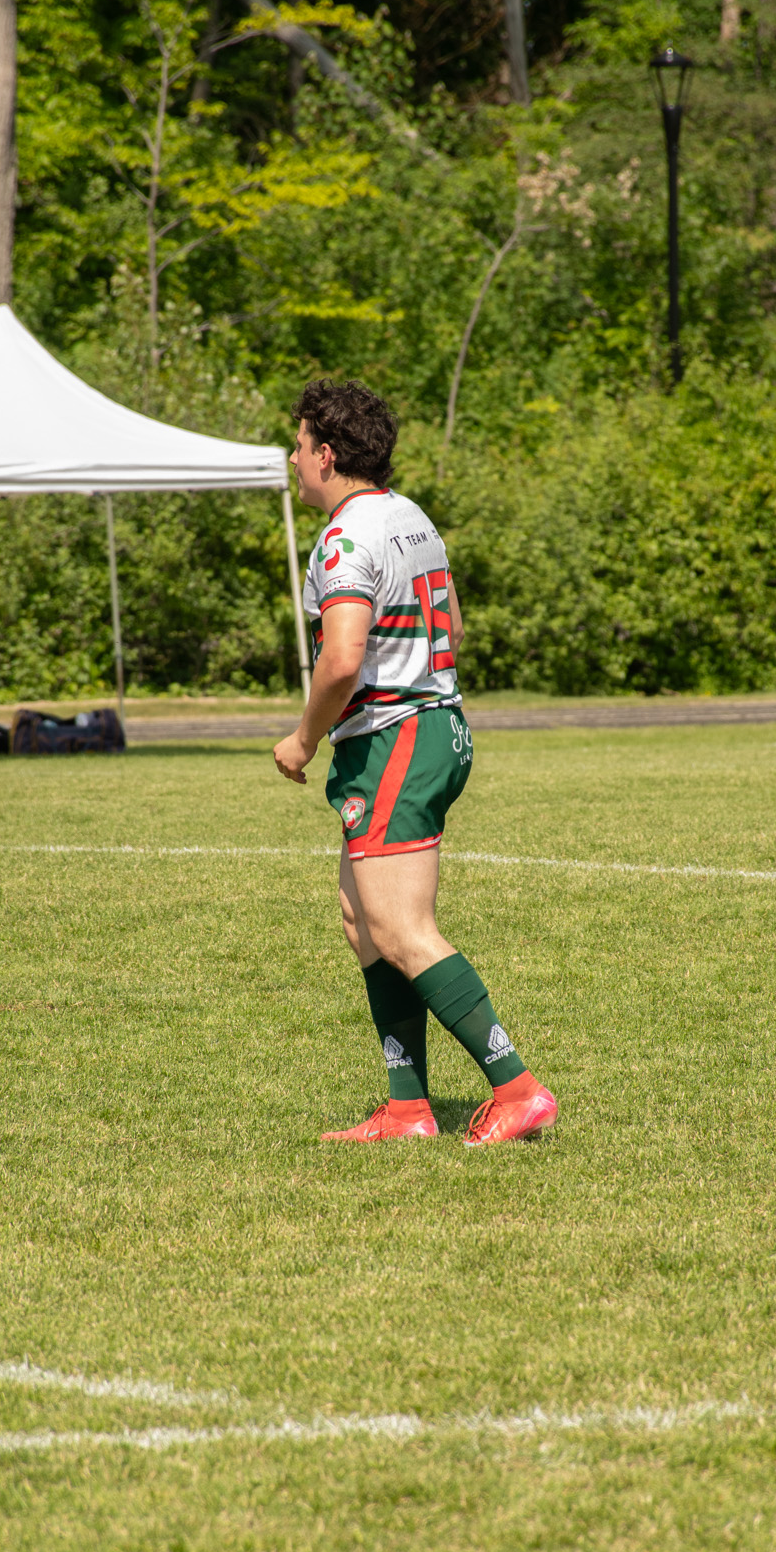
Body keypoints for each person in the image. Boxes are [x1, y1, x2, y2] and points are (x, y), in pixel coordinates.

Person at [273, 378, 559, 1147]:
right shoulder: (410, 517)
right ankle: (407, 1109)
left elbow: (339, 661)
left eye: (297, 446)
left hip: (397, 737)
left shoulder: (343, 537)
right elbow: (453, 626)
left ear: (326, 454)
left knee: (401, 928)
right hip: (431, 726)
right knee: (361, 921)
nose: (292, 459)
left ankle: (518, 1088)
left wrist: (301, 741)